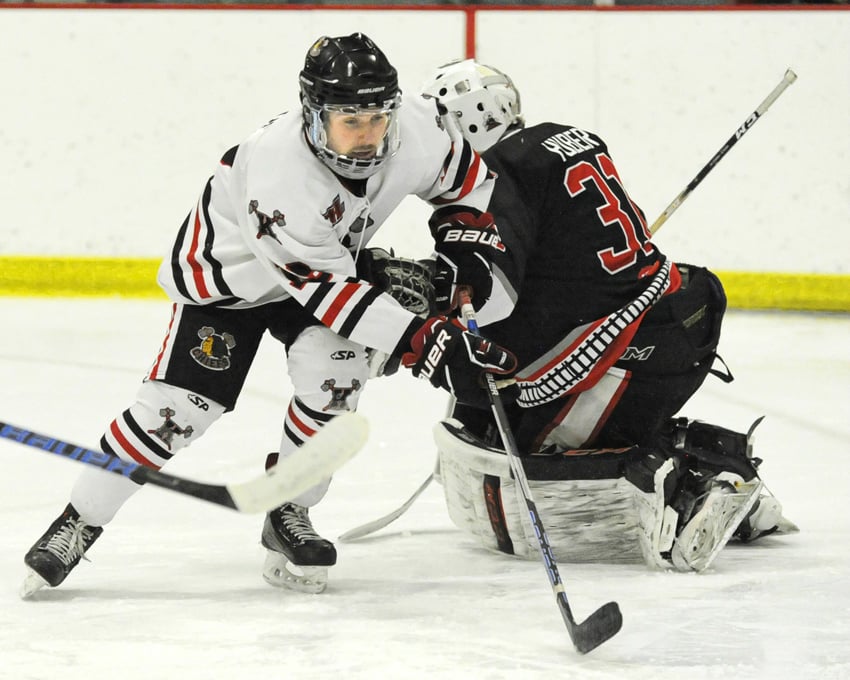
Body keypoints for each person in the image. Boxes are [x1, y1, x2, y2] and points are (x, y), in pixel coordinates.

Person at [20, 35, 518, 598]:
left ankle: (289, 512)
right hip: (228, 287)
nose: (368, 135)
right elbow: (331, 294)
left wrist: (467, 248)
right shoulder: (280, 172)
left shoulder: (418, 131)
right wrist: (428, 342)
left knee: (334, 384)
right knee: (177, 412)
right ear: (313, 113)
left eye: (378, 116)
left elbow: (468, 182)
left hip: (322, 273)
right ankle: (79, 519)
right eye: (349, 119)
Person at [419, 59, 796, 571]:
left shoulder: (496, 176)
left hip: (643, 339)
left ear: (470, 118)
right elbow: (568, 250)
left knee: (524, 448)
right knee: (492, 417)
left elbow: (496, 298)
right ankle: (733, 489)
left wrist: (438, 297)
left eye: (439, 124)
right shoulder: (568, 139)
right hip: (667, 314)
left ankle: (706, 485)